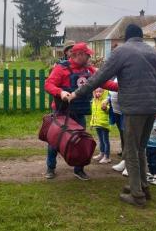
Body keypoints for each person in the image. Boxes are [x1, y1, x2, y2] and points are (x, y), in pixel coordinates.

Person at [67, 24, 156, 207]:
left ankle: (137, 196)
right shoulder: (153, 52)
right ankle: (142, 187)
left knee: (130, 151)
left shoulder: (121, 52)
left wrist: (77, 93)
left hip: (133, 108)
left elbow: (99, 77)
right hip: (151, 108)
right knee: (140, 148)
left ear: (126, 38)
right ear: (141, 36)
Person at [44, 42, 118, 181]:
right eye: (87, 54)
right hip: (62, 112)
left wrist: (123, 86)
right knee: (54, 140)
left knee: (80, 142)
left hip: (78, 113)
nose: (90, 57)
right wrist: (60, 92)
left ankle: (79, 170)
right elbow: (48, 84)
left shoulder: (89, 70)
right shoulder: (61, 68)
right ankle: (50, 167)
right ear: (78, 55)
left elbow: (105, 83)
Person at [90, 88, 112, 164]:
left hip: (104, 124)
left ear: (104, 92)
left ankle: (107, 157)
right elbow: (94, 113)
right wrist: (92, 124)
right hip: (97, 124)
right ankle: (102, 153)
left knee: (105, 140)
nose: (98, 93)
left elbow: (108, 110)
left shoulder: (105, 101)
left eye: (100, 92)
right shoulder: (94, 101)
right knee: (101, 140)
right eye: (96, 92)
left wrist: (105, 108)